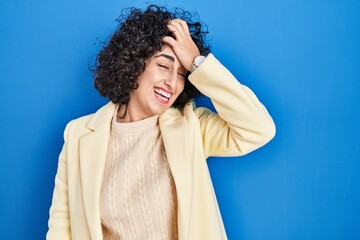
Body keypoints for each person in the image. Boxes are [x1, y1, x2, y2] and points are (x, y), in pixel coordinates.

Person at [46, 4, 276, 240]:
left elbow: (259, 128)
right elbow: (61, 228)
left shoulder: (192, 126)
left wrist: (197, 63)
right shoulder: (78, 135)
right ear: (134, 65)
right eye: (164, 65)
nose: (172, 82)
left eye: (182, 73)